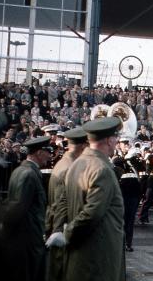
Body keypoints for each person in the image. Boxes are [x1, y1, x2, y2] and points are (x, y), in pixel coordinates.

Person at [48, 116, 126, 281]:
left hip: (81, 253)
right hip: (98, 254)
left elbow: (63, 201)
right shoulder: (102, 169)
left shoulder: (77, 163)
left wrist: (59, 230)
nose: (117, 142)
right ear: (108, 140)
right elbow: (92, 213)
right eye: (115, 138)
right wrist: (66, 233)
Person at [0, 136, 53, 281]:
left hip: (26, 241)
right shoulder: (28, 174)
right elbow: (16, 208)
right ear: (39, 153)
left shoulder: (22, 171)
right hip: (28, 243)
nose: (50, 155)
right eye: (47, 151)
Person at [45, 127, 88, 281]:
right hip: (63, 228)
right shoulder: (69, 168)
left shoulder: (63, 163)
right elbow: (59, 204)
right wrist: (57, 231)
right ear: (83, 146)